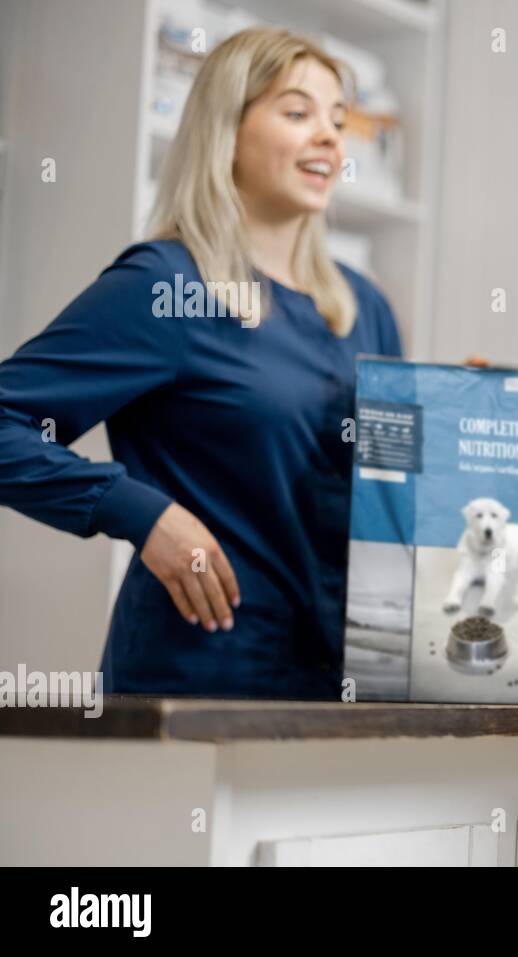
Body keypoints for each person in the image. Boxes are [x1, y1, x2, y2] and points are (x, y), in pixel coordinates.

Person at [0, 27, 405, 698]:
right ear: (227, 130)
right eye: (298, 112)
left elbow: (386, 499)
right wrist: (138, 510)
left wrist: (455, 424)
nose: (332, 137)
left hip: (343, 688)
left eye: (338, 120)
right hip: (201, 679)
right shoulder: (166, 286)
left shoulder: (364, 309)